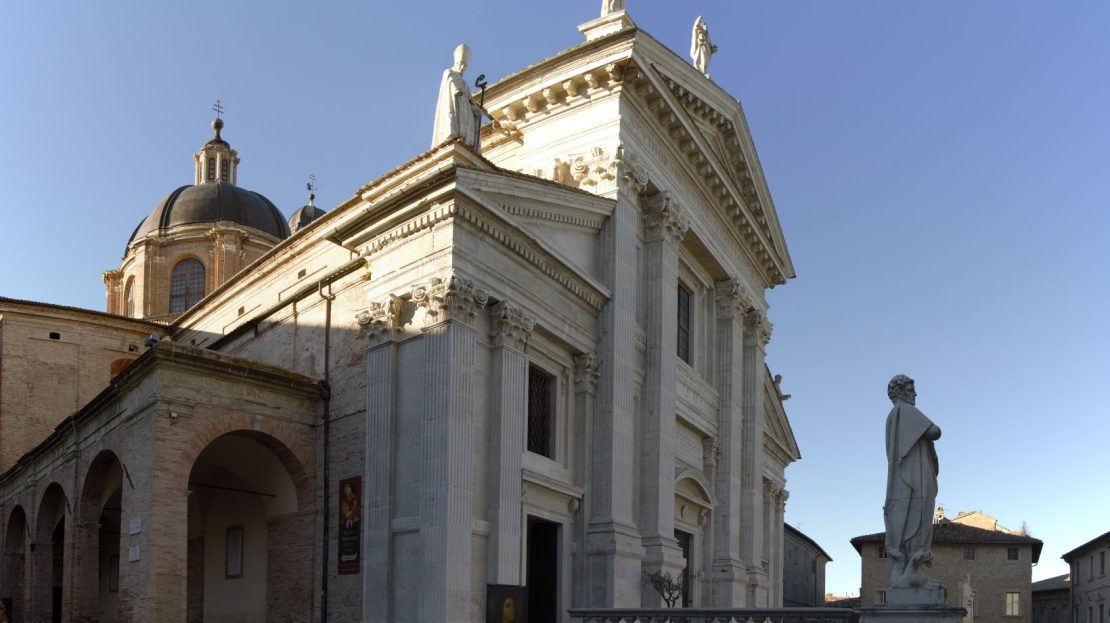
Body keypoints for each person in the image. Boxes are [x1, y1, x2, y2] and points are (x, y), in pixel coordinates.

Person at [883, 374, 941, 588]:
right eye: (911, 389)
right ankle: (911, 568)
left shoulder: (892, 416)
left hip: (908, 474)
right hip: (914, 476)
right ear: (900, 392)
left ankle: (909, 571)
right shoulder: (905, 411)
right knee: (917, 519)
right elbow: (935, 432)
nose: (915, 394)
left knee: (907, 520)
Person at [432, 44, 483, 152]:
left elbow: (470, 101)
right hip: (455, 105)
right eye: (461, 64)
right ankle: (456, 138)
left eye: (465, 65)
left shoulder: (464, 82)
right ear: (456, 62)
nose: (462, 67)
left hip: (465, 109)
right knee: (457, 125)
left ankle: (465, 143)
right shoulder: (449, 72)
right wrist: (456, 90)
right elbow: (450, 84)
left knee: (465, 128)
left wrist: (475, 110)